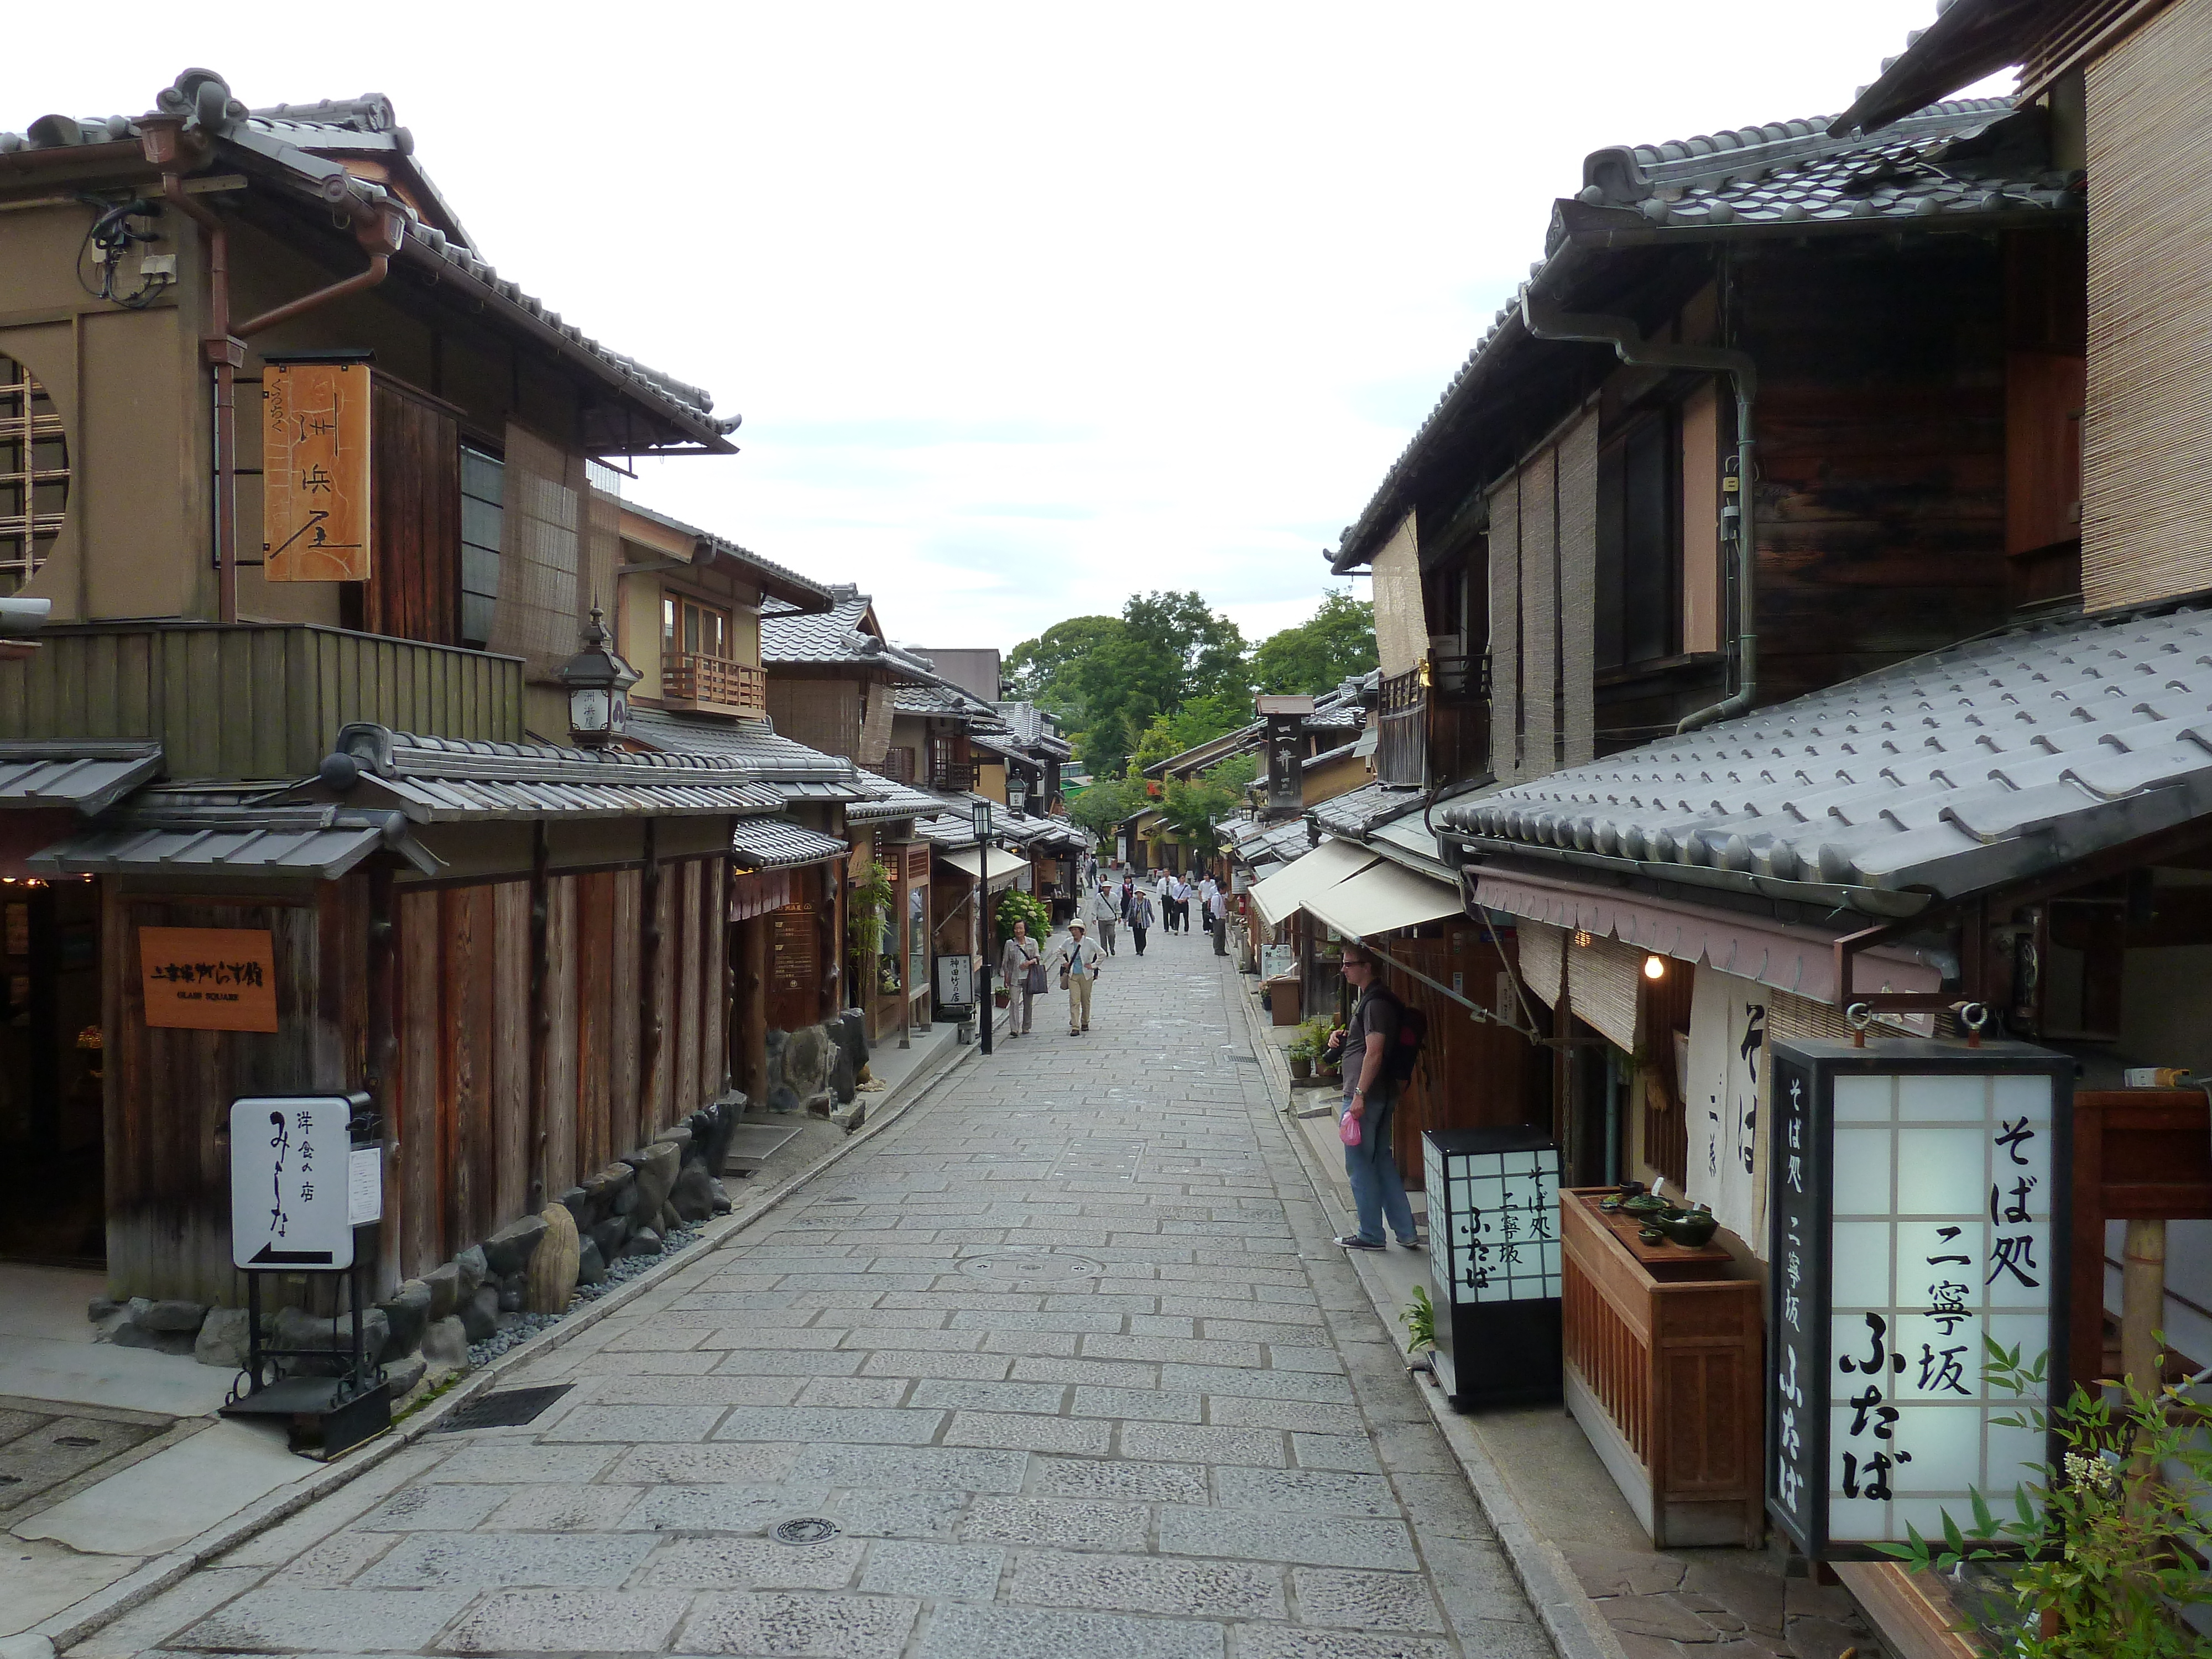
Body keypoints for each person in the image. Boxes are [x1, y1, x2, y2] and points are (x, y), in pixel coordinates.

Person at [1331, 945, 1418, 1251]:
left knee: (1359, 1164)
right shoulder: (1375, 1000)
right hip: (1379, 1094)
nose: (1344, 969)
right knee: (1380, 1159)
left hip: (1366, 1095)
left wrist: (1359, 1095)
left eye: (1349, 964)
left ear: (1367, 966)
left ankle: (1371, 1233)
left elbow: (1375, 1052)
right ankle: (1406, 1231)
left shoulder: (1376, 1004)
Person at [1054, 919, 1106, 1034]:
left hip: (1086, 975)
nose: (1074, 932)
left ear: (1081, 931)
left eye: (1076, 930)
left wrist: (1094, 966)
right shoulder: (1068, 942)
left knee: (1085, 1000)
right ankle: (1075, 1026)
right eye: (1072, 930)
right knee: (1074, 1000)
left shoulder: (1090, 942)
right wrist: (1064, 962)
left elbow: (1102, 954)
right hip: (1073, 975)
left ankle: (1085, 1021)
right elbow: (1058, 952)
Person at [999, 919, 1042, 1039]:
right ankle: (1014, 1028)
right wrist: (1006, 978)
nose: (1018, 931)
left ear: (1025, 930)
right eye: (1016, 928)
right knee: (1014, 1002)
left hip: (1030, 978)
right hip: (1014, 978)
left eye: (1020, 928)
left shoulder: (1032, 943)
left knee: (1028, 1003)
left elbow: (1038, 958)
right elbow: (1005, 962)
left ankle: (1026, 1026)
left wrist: (1029, 963)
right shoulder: (1010, 944)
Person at [1088, 882, 1120, 956]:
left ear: (1110, 888)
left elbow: (1117, 906)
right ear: (1102, 889)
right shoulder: (1099, 896)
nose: (1106, 889)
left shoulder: (1114, 896)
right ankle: (1105, 950)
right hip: (1102, 919)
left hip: (1111, 918)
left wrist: (1119, 916)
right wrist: (1094, 918)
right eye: (1105, 888)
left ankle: (1112, 947)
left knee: (1112, 934)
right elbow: (1095, 907)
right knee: (1103, 936)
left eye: (1108, 888)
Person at [1130, 886, 1154, 956]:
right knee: (1136, 936)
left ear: (1143, 894)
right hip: (1135, 922)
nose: (1139, 895)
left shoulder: (1147, 901)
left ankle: (1142, 949)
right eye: (1138, 893)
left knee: (1142, 935)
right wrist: (1126, 919)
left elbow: (1150, 910)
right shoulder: (1133, 901)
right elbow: (1130, 910)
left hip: (1144, 922)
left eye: (1141, 893)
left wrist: (1152, 918)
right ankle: (1138, 950)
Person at [1209, 881, 1229, 955]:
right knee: (1218, 934)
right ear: (1221, 889)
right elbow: (1215, 907)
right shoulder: (1216, 897)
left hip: (1222, 918)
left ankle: (1222, 949)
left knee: (1222, 935)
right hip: (1218, 918)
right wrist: (1217, 917)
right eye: (1225, 889)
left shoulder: (1221, 897)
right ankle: (1218, 949)